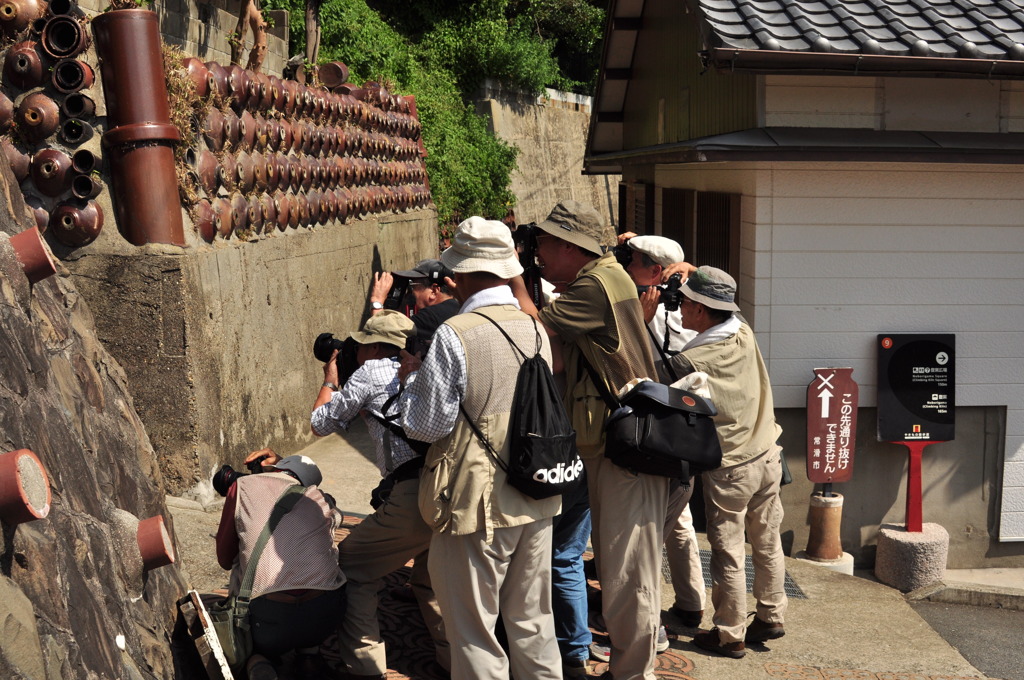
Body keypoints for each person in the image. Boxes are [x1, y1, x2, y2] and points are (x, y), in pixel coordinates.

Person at [396, 216, 563, 680]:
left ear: (465, 274)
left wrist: (411, 383)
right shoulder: (535, 328)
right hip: (536, 492)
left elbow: (428, 426)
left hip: (476, 501)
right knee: (533, 624)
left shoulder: (456, 333)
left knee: (473, 633)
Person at [511, 200, 670, 680]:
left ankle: (633, 673)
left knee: (627, 573)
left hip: (624, 447)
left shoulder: (595, 285)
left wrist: (515, 281)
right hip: (615, 442)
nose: (537, 255)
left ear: (567, 245)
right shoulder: (606, 277)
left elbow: (533, 333)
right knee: (621, 566)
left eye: (541, 245)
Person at [309, 310, 449, 679]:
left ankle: (365, 667)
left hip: (413, 495)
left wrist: (331, 380)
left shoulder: (371, 372)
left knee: (352, 568)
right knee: (432, 576)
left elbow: (320, 423)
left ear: (372, 346)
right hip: (452, 488)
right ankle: (455, 661)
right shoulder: (431, 367)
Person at [667, 266, 787, 659]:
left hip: (732, 465)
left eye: (686, 302)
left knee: (729, 550)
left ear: (702, 310)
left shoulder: (691, 359)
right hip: (768, 451)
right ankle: (771, 614)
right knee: (767, 540)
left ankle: (729, 633)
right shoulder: (743, 331)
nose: (681, 309)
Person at [620, 234, 706, 629]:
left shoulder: (654, 308)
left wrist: (641, 320)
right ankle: (690, 602)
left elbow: (630, 363)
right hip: (684, 429)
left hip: (659, 429)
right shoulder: (693, 301)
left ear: (657, 271)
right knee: (680, 519)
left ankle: (647, 623)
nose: (625, 265)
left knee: (650, 531)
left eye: (632, 259)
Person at [215, 453, 347, 680]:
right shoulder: (319, 498)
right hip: (326, 614)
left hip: (268, 619)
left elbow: (225, 559)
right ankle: (309, 656)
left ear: (275, 468)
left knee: (242, 565)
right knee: (314, 569)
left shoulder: (241, 485)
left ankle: (257, 659)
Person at [369, 259, 459, 351]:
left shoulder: (430, 316)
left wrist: (377, 300)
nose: (409, 293)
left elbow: (382, 331)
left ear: (434, 291)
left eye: (413, 286)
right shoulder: (455, 308)